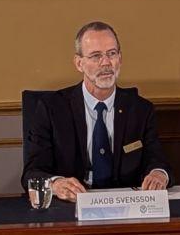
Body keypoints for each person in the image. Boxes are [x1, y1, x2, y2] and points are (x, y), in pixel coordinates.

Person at [21, 22, 170, 200]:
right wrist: (56, 184)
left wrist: (158, 174)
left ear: (120, 59)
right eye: (96, 56)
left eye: (112, 54)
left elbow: (157, 160)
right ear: (79, 63)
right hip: (71, 207)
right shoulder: (52, 108)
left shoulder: (140, 109)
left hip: (125, 206)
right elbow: (32, 172)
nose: (106, 63)